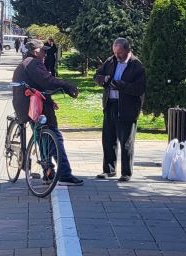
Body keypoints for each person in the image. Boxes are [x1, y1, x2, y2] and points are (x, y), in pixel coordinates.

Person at [11, 39, 83, 186]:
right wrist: (67, 86)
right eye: (43, 51)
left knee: (43, 138)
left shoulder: (26, 63)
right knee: (54, 137)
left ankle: (48, 173)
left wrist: (49, 101)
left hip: (27, 106)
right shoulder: (33, 63)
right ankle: (64, 174)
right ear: (35, 51)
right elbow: (47, 81)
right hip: (34, 107)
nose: (45, 54)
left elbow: (37, 86)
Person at [93, 37, 147, 181]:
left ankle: (126, 173)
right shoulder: (111, 61)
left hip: (127, 107)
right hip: (110, 104)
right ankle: (109, 170)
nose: (117, 56)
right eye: (115, 52)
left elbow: (140, 88)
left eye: (120, 53)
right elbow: (97, 75)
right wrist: (103, 79)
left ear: (128, 50)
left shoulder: (136, 65)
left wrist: (122, 85)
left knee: (126, 141)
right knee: (108, 139)